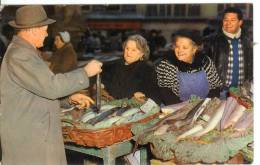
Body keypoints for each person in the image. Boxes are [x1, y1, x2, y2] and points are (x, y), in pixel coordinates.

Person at [0, 5, 102, 165]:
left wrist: (68, 99)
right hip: (30, 141)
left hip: (35, 135)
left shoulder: (25, 52)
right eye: (45, 29)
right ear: (32, 29)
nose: (47, 33)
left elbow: (37, 92)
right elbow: (51, 86)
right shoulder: (20, 55)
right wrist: (85, 72)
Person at [156, 29, 223, 105]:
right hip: (176, 108)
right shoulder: (166, 65)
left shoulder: (206, 62)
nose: (180, 50)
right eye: (177, 46)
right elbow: (166, 93)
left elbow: (215, 87)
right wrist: (186, 109)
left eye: (185, 48)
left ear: (194, 49)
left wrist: (207, 105)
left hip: (205, 106)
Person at [203, 7, 253, 97]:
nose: (228, 23)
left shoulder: (247, 42)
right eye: (225, 20)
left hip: (242, 92)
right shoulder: (210, 41)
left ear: (240, 22)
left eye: (233, 20)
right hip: (220, 92)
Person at [102, 34, 161, 104]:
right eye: (127, 48)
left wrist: (144, 97)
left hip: (134, 110)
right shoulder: (114, 65)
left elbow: (154, 97)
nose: (128, 53)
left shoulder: (148, 69)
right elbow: (103, 84)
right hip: (110, 106)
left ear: (142, 53)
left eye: (133, 50)